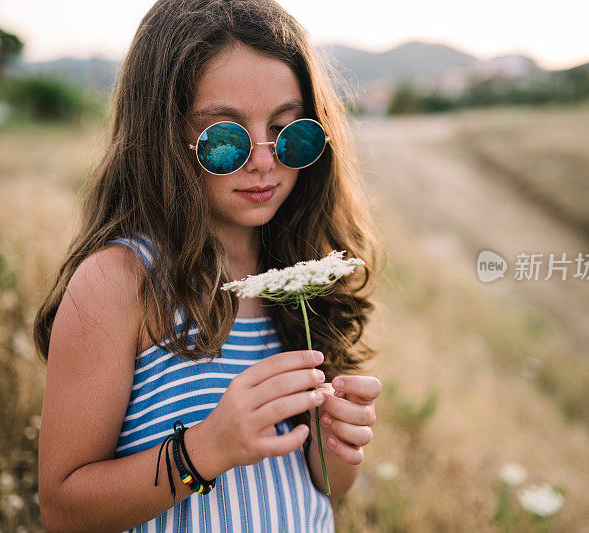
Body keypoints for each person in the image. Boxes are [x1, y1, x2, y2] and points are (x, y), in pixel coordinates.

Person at [33, 0, 385, 531]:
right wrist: (202, 451)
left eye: (290, 134)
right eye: (226, 138)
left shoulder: (302, 273)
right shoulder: (120, 281)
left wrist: (339, 442)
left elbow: (324, 487)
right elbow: (63, 508)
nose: (265, 161)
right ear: (164, 138)